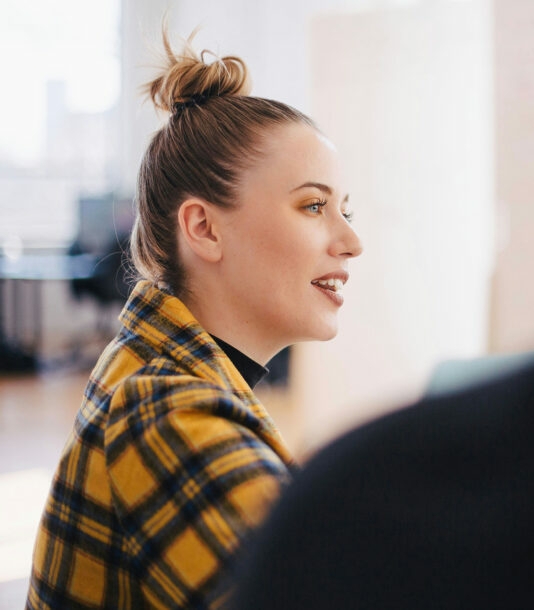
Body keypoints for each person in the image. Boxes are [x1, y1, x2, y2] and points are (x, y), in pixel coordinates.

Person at [26, 28, 362, 610]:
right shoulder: (167, 413)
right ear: (204, 229)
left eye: (344, 210)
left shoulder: (156, 367)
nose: (352, 241)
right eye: (313, 205)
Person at [232, 335, 534, 609]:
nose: (351, 243)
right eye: (313, 216)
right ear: (205, 228)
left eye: (347, 217)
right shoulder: (357, 503)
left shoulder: (346, 492)